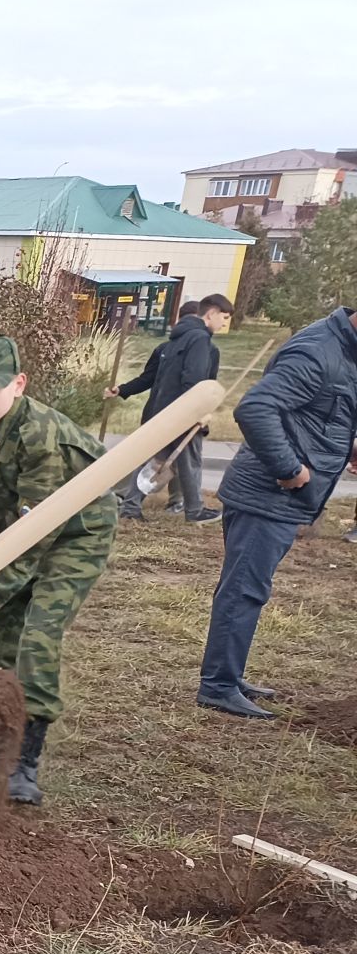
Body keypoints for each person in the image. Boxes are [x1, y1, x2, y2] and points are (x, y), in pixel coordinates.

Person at [0, 336, 117, 805]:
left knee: (36, 634)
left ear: (19, 383)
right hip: (18, 528)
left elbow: (37, 533)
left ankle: (24, 761)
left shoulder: (40, 436)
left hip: (75, 533)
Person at [196, 307, 357, 718]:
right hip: (268, 495)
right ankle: (218, 685)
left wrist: (347, 451)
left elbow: (310, 418)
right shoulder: (319, 351)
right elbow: (255, 409)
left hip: (279, 498)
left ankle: (227, 674)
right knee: (244, 589)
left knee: (248, 587)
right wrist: (290, 469)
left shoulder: (343, 349)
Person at [105, 293, 232, 524]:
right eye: (223, 317)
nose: (224, 323)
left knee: (156, 460)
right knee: (191, 460)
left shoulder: (176, 339)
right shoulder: (200, 340)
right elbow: (193, 380)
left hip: (164, 413)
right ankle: (194, 511)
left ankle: (130, 506)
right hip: (183, 414)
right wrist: (199, 412)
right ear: (211, 313)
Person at [123, 300, 199, 513]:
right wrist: (122, 390)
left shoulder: (200, 349)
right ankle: (131, 504)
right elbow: (148, 378)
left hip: (177, 414)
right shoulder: (167, 349)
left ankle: (176, 501)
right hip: (165, 414)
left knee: (181, 458)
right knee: (160, 458)